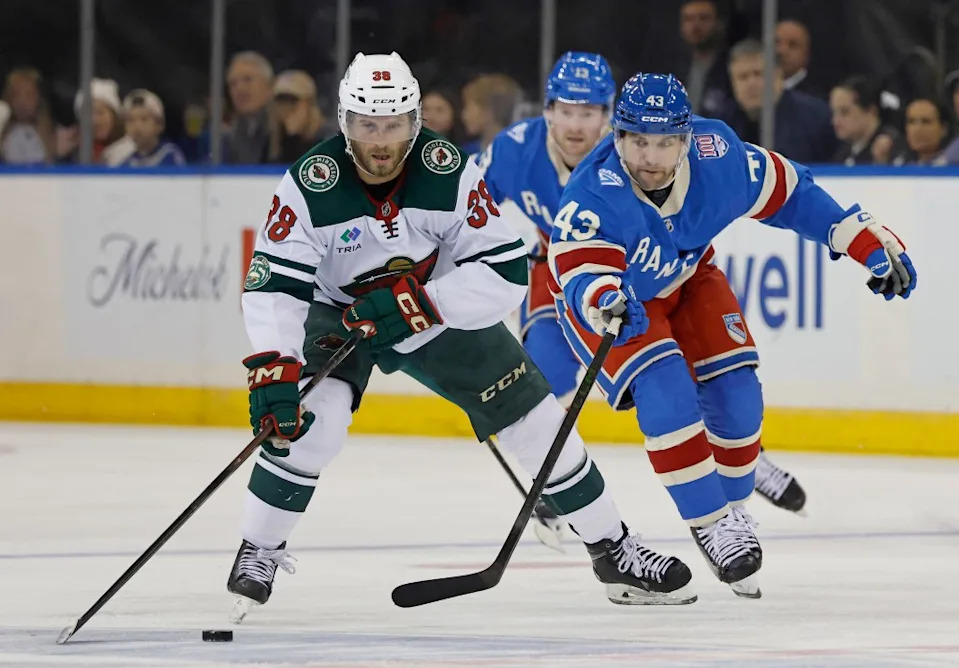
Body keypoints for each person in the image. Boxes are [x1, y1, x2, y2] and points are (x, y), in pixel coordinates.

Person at [227, 52, 696, 622]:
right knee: (311, 420)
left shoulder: (446, 171)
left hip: (429, 304)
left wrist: (422, 306)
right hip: (336, 311)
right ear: (345, 123)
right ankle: (260, 547)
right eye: (368, 126)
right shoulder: (310, 183)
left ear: (415, 121)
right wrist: (274, 365)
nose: (380, 141)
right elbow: (273, 282)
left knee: (537, 420)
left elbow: (504, 270)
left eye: (393, 125)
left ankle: (612, 547)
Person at [549, 73, 917, 597]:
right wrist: (603, 296)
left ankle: (733, 505)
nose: (650, 157)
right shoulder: (593, 190)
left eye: (665, 143)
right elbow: (578, 265)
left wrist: (864, 242)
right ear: (617, 136)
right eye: (637, 141)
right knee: (667, 394)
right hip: (617, 306)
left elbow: (793, 194)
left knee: (739, 403)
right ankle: (710, 522)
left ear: (685, 138)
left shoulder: (717, 154)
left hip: (690, 278)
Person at [481, 52, 809, 518]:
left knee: (698, 375)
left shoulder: (637, 157)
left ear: (610, 115)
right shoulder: (514, 150)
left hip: (652, 276)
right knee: (545, 375)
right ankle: (553, 476)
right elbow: (462, 210)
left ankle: (744, 461)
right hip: (564, 278)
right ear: (547, 110)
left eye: (590, 112)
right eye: (567, 111)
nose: (576, 126)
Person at [720, 39, 836, 164]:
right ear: (733, 83)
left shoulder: (816, 117)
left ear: (779, 75)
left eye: (759, 74)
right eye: (743, 77)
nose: (752, 83)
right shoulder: (720, 125)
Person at [829, 76, 904, 166]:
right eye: (834, 113)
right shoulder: (842, 155)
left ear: (871, 111)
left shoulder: (893, 148)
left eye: (844, 112)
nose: (835, 121)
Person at [271, 70, 329, 164]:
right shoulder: (279, 143)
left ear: (310, 104)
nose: (286, 111)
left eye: (292, 103)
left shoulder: (332, 141)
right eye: (281, 104)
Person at [118, 89, 187, 167]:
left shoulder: (170, 155)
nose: (137, 126)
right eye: (131, 120)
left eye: (144, 119)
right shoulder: (127, 163)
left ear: (159, 124)